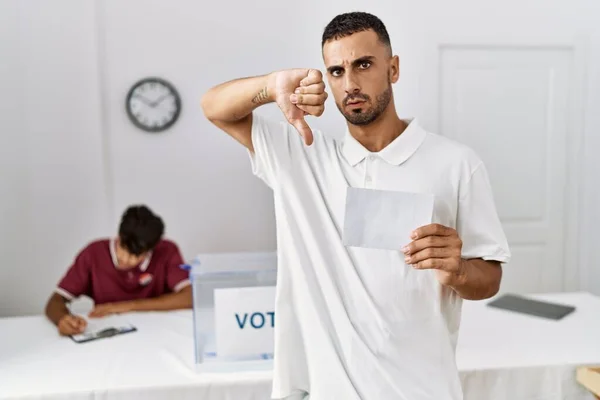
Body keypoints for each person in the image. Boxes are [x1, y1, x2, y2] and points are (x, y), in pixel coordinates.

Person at [201, 11, 510, 400]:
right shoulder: (303, 155)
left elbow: (490, 279)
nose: (350, 83)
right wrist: (270, 85)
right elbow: (214, 107)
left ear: (393, 69)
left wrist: (458, 271)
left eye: (363, 64)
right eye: (336, 71)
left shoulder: (457, 164)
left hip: (422, 390)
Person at [45, 205, 192, 336]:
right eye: (124, 249)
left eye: (138, 255)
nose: (129, 260)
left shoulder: (167, 250)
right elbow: (56, 300)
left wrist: (126, 306)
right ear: (119, 236)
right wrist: (63, 320)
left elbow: (189, 297)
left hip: (157, 332)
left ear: (151, 249)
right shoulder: (93, 253)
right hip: (111, 335)